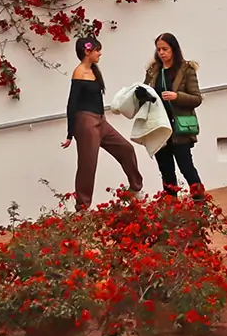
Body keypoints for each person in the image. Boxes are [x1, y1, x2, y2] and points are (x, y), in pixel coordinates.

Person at [64, 34, 143, 207]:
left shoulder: (93, 70)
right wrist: (70, 133)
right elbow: (72, 104)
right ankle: (82, 207)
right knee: (88, 165)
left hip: (101, 121)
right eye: (97, 50)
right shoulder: (79, 72)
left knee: (126, 149)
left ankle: (136, 189)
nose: (100, 54)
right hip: (86, 122)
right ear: (87, 51)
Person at [144, 32, 204, 195]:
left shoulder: (186, 70)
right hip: (159, 127)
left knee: (186, 168)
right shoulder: (153, 70)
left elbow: (196, 98)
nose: (162, 53)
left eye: (165, 49)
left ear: (174, 49)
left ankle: (201, 205)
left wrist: (177, 96)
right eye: (158, 50)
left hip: (179, 127)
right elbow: (145, 91)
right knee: (166, 172)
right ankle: (171, 211)